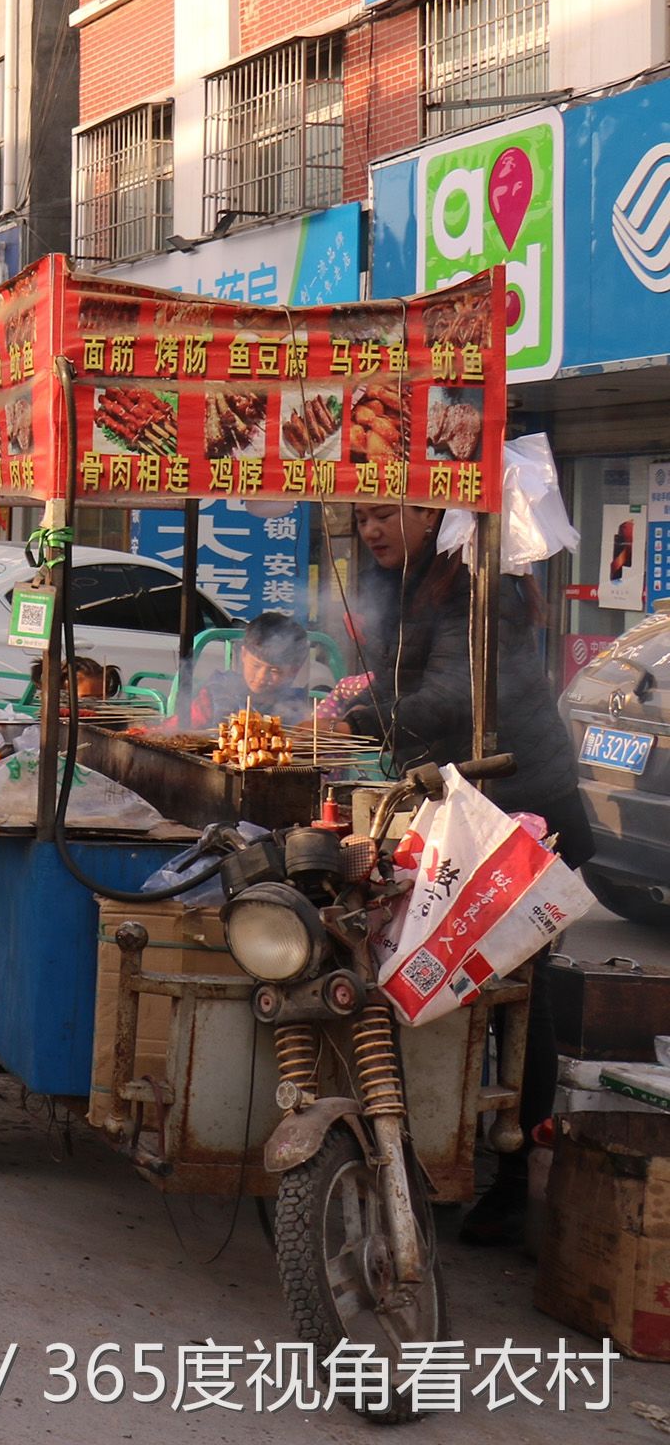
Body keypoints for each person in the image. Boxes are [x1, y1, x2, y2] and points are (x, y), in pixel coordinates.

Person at [338, 498, 592, 1248]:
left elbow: (459, 695)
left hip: (523, 815)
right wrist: (355, 703)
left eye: (385, 514)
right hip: (467, 812)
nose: (372, 531)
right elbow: (408, 682)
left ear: (429, 511)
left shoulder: (481, 583)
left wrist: (357, 722)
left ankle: (516, 1182)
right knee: (457, 986)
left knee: (519, 994)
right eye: (361, 520)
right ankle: (452, 1149)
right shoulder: (415, 581)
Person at [181, 609, 320, 729]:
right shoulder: (215, 695)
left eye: (274, 671)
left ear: (293, 671)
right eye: (256, 666)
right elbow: (179, 728)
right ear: (244, 654)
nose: (261, 677)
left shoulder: (296, 707)